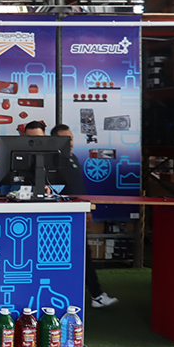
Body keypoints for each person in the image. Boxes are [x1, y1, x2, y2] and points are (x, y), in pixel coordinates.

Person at [50, 123, 118, 309]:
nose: (70, 143)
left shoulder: (73, 158)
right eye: (66, 139)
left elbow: (79, 188)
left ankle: (96, 295)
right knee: (64, 258)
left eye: (71, 139)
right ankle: (84, 295)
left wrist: (87, 209)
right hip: (60, 218)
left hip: (76, 214)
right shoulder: (51, 162)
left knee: (83, 254)